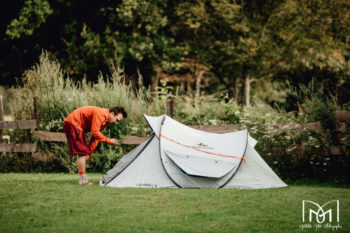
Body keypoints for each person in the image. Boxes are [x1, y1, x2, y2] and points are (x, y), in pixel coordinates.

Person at [63, 106, 127, 185]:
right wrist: (109, 141)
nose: (116, 123)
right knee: (82, 153)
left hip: (76, 126)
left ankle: (82, 179)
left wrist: (89, 153)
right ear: (112, 113)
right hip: (72, 124)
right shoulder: (101, 114)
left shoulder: (106, 121)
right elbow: (95, 132)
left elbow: (95, 137)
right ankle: (83, 180)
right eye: (117, 120)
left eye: (118, 122)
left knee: (84, 153)